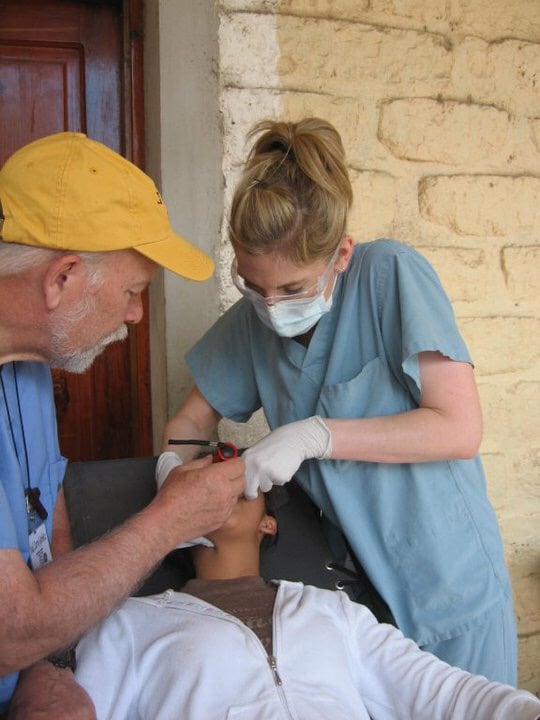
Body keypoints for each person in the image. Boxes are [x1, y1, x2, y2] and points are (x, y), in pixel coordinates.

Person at [160, 117, 517, 684]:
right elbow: (190, 419)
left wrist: (317, 434)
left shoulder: (387, 275)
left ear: (341, 255)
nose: (272, 306)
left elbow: (458, 428)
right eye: (253, 285)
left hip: (446, 590)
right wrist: (171, 475)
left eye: (294, 289)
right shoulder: (252, 323)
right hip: (352, 600)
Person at [0, 132, 245, 718]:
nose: (136, 314)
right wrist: (169, 522)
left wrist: (45, 665)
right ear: (62, 279)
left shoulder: (29, 365)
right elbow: (10, 629)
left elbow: (44, 508)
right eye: (132, 292)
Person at [73, 490, 540, 720]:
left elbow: (445, 694)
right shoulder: (129, 624)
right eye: (200, 478)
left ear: (269, 525)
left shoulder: (333, 611)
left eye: (234, 475)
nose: (218, 483)